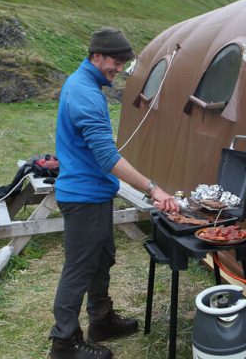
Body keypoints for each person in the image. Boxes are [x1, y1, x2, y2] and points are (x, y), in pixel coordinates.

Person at [49, 27, 179, 359]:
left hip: (94, 193)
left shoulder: (86, 85)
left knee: (101, 260)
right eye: (115, 61)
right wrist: (153, 189)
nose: (119, 69)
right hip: (83, 197)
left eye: (123, 63)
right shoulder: (84, 92)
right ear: (96, 55)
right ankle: (64, 343)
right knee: (79, 268)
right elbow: (107, 157)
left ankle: (101, 320)